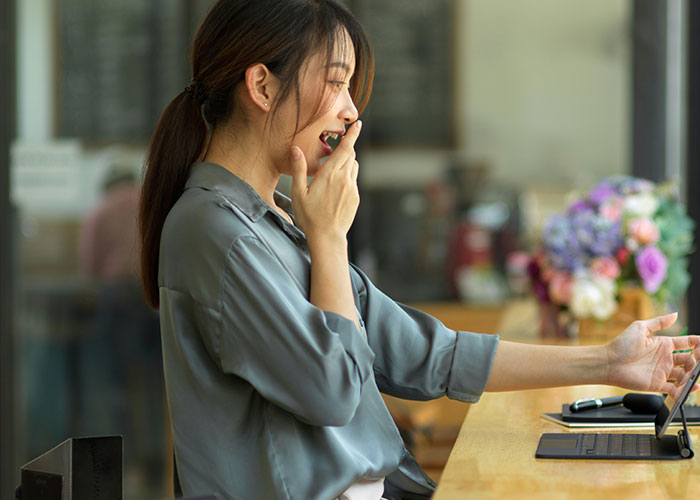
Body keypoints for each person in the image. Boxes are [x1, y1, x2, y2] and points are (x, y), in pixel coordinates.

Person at [138, 1, 699, 499]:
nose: (350, 112)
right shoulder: (215, 232)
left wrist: (608, 362)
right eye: (336, 83)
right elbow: (333, 391)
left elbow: (424, 353)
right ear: (261, 87)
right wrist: (331, 240)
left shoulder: (275, 223)